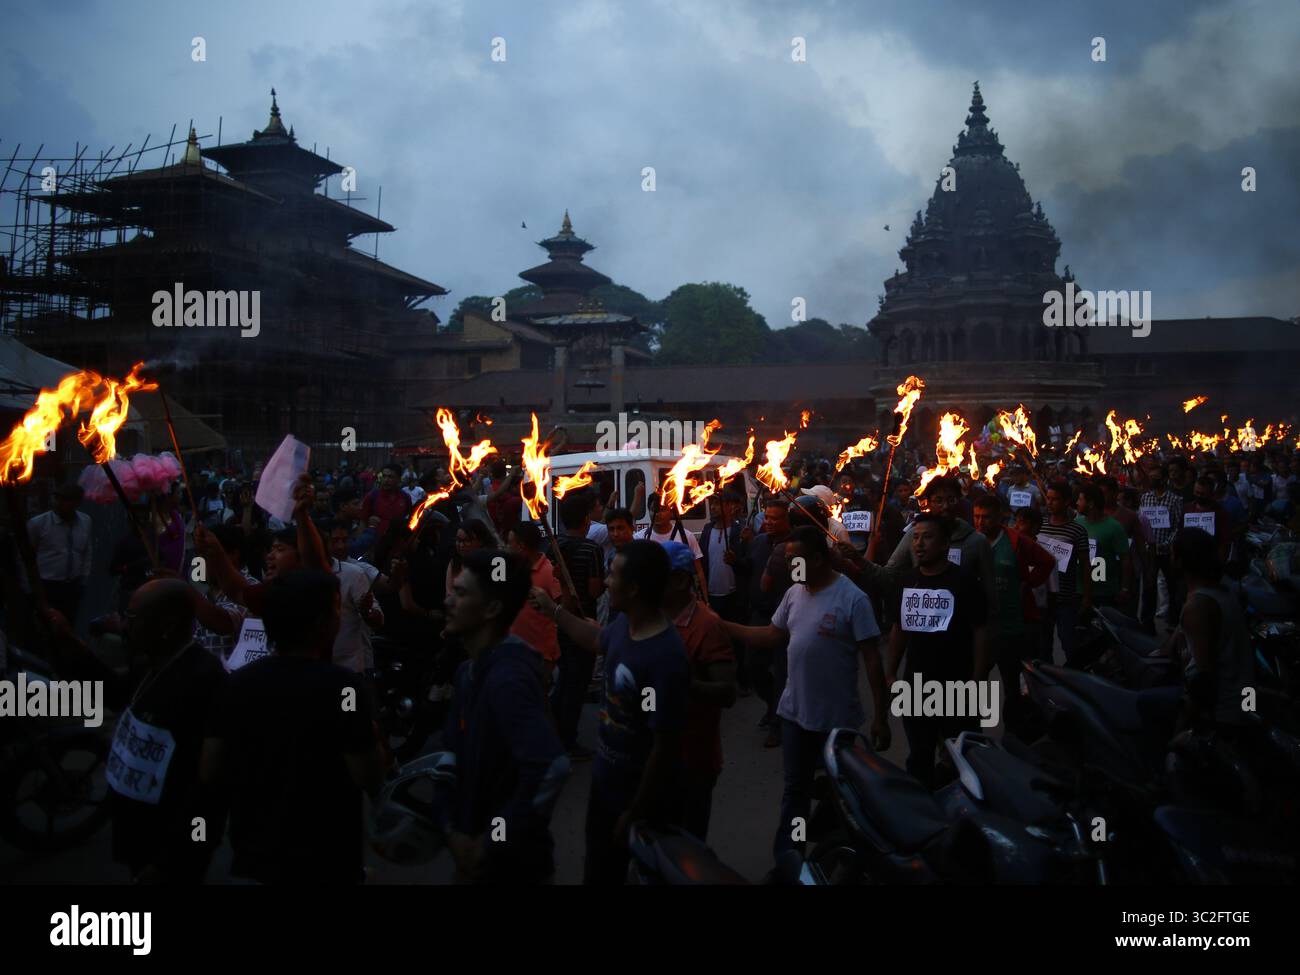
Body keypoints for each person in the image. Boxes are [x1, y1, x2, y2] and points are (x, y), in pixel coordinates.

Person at [200, 570, 388, 884]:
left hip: (254, 853)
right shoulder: (342, 688)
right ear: (323, 624)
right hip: (327, 857)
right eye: (335, 609)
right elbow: (368, 774)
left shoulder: (238, 683)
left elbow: (209, 768)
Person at [723, 525, 885, 859]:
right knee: (795, 792)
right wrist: (722, 626)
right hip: (794, 715)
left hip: (837, 721)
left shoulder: (853, 599)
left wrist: (881, 717)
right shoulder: (794, 593)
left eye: (795, 560)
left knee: (844, 793)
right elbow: (771, 635)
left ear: (819, 559)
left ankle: (842, 855)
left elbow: (872, 661)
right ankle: (791, 856)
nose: (789, 567)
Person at [534, 539, 689, 885]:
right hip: (606, 785)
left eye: (612, 575)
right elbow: (596, 639)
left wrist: (636, 810)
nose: (605, 582)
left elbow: (664, 745)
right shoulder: (623, 625)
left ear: (633, 588)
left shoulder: (665, 658)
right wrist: (553, 611)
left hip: (642, 799)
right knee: (599, 870)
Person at [442, 549, 572, 883]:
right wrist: (452, 828)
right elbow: (451, 760)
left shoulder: (507, 679)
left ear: (491, 609)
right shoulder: (467, 673)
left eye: (461, 593)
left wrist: (494, 840)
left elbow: (550, 766)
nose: (448, 601)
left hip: (513, 867)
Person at [109, 579, 226, 883]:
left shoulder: (204, 681)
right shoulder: (153, 663)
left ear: (166, 625)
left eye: (133, 619)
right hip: (143, 834)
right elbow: (112, 691)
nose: (125, 626)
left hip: (172, 846)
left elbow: (207, 788)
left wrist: (171, 859)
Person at [883, 513, 990, 789]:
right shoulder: (907, 581)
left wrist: (977, 678)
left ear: (945, 545)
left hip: (957, 684)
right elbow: (900, 629)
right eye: (915, 537)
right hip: (916, 684)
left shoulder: (965, 581)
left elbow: (980, 631)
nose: (919, 544)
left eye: (927, 537)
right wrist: (891, 673)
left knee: (961, 756)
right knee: (919, 754)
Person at [660, 540, 736, 841]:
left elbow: (727, 692)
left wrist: (681, 684)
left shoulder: (707, 626)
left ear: (679, 580)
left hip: (693, 761)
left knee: (687, 845)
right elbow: (603, 640)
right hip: (656, 757)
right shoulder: (650, 616)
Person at [970, 494, 1053, 736]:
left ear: (1000, 517)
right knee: (974, 684)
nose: (980, 522)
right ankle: (974, 735)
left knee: (1012, 685)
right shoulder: (969, 541)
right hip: (978, 627)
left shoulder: (1015, 541)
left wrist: (1027, 583)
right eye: (976, 516)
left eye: (986, 517)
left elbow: (1046, 561)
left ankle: (1014, 735)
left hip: (1010, 626)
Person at [1167, 527, 1254, 731]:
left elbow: (1204, 680)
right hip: (1239, 699)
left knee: (1144, 703)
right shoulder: (1220, 590)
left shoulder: (1199, 606)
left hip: (1223, 711)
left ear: (1181, 561)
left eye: (1172, 553)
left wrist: (1186, 727)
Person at [551, 491, 607, 761]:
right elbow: (595, 590)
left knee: (564, 678)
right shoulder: (590, 548)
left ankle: (555, 730)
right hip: (583, 624)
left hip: (558, 620)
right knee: (575, 684)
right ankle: (566, 740)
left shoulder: (555, 545)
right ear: (586, 519)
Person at [747, 498, 793, 747]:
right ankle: (772, 705)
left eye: (775, 518)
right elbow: (749, 570)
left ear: (787, 520)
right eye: (767, 518)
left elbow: (800, 582)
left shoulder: (795, 548)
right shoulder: (758, 541)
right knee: (754, 666)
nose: (770, 522)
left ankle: (778, 724)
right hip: (760, 614)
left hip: (785, 619)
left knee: (783, 669)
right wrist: (737, 560)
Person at [698, 489, 752, 694]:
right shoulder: (706, 530)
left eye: (717, 504)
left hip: (735, 596)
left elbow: (750, 565)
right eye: (711, 504)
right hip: (712, 594)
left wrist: (736, 561)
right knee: (713, 639)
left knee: (738, 640)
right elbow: (701, 561)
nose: (712, 508)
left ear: (732, 507)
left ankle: (743, 679)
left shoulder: (741, 532)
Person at [1038, 478, 1093, 661]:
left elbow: (1086, 565)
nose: (1049, 503)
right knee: (1043, 645)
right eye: (1048, 498)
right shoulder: (1040, 526)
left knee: (1069, 643)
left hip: (1066, 597)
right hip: (1043, 597)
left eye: (1054, 499)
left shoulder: (1077, 531)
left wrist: (1086, 596)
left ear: (1066, 502)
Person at [27, 482, 93, 627]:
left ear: (76, 503)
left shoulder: (85, 521)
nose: (60, 503)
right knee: (46, 626)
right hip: (46, 586)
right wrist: (29, 585)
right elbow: (26, 557)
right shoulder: (38, 524)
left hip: (72, 586)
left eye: (67, 500)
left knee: (68, 625)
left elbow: (87, 551)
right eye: (59, 499)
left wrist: (84, 577)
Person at [507, 522, 562, 671]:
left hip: (540, 655)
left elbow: (562, 610)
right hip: (512, 650)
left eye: (509, 543)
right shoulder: (509, 568)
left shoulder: (548, 571)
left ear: (521, 546)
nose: (506, 547)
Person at [1139, 461, 1184, 631]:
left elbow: (1178, 526)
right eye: (1151, 477)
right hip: (1150, 551)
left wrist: (1167, 544)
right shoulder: (1145, 497)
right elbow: (1142, 523)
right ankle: (1147, 622)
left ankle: (1173, 621)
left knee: (1173, 587)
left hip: (1167, 551)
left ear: (1164, 479)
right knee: (1149, 587)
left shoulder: (1174, 500)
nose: (1152, 480)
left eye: (1156, 478)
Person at [1075, 482, 1133, 613]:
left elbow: (1125, 559)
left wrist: (1125, 588)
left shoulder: (1114, 527)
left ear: (1090, 504)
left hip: (1104, 592)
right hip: (1078, 589)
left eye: (1080, 499)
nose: (1077, 503)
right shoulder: (1077, 524)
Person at [638, 494, 709, 598]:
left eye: (662, 509)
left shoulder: (686, 536)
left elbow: (699, 572)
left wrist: (705, 600)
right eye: (654, 509)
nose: (658, 514)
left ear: (671, 511)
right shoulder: (640, 538)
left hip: (680, 598)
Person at [361, 464, 412, 537]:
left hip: (397, 543)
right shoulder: (372, 496)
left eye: (390, 477)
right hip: (376, 543)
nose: (386, 480)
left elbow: (409, 520)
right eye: (384, 476)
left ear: (399, 479)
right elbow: (363, 521)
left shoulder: (405, 497)